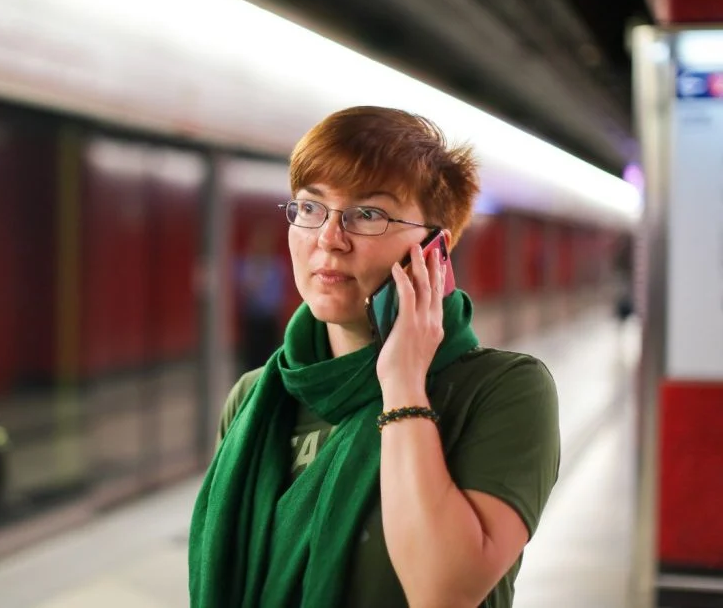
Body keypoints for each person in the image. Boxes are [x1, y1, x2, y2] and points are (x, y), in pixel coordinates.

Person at [189, 106, 560, 607]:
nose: (329, 239)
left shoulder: (504, 390)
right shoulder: (255, 397)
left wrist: (403, 383)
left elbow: (443, 592)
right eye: (310, 207)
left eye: (368, 214)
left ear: (434, 251)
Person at [236, 222, 287, 371]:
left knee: (268, 354)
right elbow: (244, 289)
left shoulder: (276, 265)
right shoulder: (245, 264)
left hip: (270, 318)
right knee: (251, 356)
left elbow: (278, 293)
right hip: (252, 317)